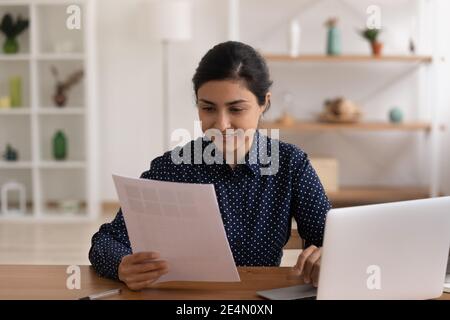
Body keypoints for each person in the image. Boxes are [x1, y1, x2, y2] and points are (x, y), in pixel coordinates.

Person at [89, 41, 331, 291]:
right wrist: (122, 264)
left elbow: (331, 241)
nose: (222, 124)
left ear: (264, 103)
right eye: (208, 108)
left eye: (236, 109)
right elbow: (106, 241)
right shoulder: (172, 168)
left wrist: (327, 255)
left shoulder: (291, 165)